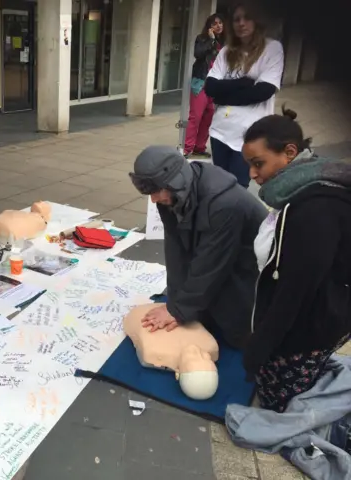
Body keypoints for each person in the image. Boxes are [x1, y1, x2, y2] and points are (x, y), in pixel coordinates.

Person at [241, 108, 351, 413]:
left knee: (279, 403)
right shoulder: (300, 191)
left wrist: (260, 346)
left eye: (258, 163)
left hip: (306, 331)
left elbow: (296, 292)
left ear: (289, 152)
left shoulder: (314, 209)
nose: (252, 174)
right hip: (308, 321)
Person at [129, 145, 267, 348]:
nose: (154, 199)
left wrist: (179, 310)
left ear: (176, 181)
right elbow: (175, 250)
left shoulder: (225, 203)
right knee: (194, 316)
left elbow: (211, 263)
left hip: (249, 270)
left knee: (239, 339)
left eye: (156, 191)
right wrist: (174, 303)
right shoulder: (172, 194)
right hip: (219, 258)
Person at [204, 2, 284, 188]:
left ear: (257, 21)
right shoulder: (226, 51)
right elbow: (210, 87)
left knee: (237, 188)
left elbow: (263, 92)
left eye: (247, 18)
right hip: (220, 131)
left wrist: (223, 95)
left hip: (249, 135)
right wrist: (243, 83)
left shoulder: (272, 49)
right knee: (219, 186)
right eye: (236, 19)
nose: (241, 23)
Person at [183, 14, 225, 158]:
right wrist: (211, 40)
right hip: (200, 82)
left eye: (220, 23)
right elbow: (198, 54)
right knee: (195, 117)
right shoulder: (202, 39)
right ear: (209, 27)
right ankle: (188, 148)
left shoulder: (224, 43)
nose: (218, 25)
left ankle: (199, 147)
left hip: (215, 85)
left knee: (208, 118)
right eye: (215, 23)